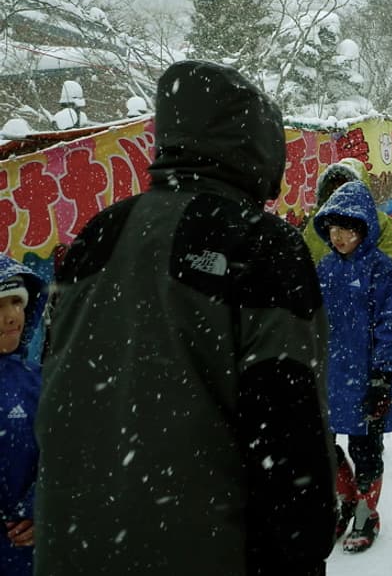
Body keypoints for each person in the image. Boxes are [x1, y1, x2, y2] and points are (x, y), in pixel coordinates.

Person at [36, 60, 337, 576]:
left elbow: (57, 388)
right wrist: (300, 548)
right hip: (205, 549)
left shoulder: (97, 236)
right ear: (259, 144)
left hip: (74, 541)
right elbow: (288, 425)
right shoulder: (262, 245)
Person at [314, 180, 392, 553]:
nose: (339, 237)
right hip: (330, 375)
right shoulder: (323, 269)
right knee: (325, 445)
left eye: (348, 229)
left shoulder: (382, 270)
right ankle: (345, 499)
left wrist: (383, 377)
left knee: (366, 447)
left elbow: (391, 326)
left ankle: (368, 513)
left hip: (369, 376)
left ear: (364, 228)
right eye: (333, 229)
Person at [0, 256, 44, 576]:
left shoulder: (43, 382)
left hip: (27, 556)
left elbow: (70, 456)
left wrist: (44, 510)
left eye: (17, 302)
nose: (12, 316)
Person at [303, 157, 392, 267]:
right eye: (334, 188)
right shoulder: (316, 223)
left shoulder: (378, 222)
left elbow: (391, 269)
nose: (339, 193)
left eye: (346, 187)